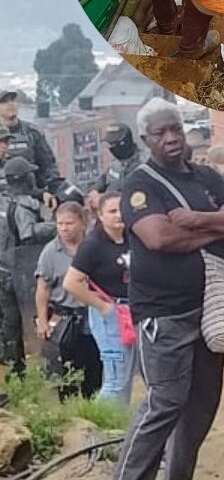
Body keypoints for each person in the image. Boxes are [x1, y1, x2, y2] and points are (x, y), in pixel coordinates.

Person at [113, 98, 224, 480]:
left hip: (208, 308)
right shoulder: (139, 184)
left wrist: (194, 219)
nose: (171, 138)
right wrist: (215, 228)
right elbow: (158, 238)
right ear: (146, 139)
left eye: (175, 128)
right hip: (163, 315)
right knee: (165, 402)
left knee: (202, 405)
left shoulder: (205, 175)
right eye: (160, 133)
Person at [63, 192, 136, 404]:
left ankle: (119, 422)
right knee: (116, 379)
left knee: (127, 377)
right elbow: (71, 282)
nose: (118, 215)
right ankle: (99, 422)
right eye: (112, 211)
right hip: (110, 316)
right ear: (100, 215)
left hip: (132, 312)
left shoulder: (132, 237)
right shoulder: (93, 245)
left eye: (122, 209)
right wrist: (103, 307)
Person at [35, 203, 102, 400]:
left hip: (93, 315)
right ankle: (69, 408)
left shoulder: (94, 246)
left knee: (94, 368)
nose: (64, 228)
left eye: (69, 223)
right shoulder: (50, 251)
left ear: (82, 223)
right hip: (64, 317)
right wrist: (42, 321)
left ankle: (92, 407)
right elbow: (42, 289)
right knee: (65, 371)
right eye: (60, 224)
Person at [3, 156, 56, 370]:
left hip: (7, 267)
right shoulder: (22, 205)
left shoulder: (6, 201)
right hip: (22, 269)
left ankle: (15, 365)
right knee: (29, 317)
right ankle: (39, 363)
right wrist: (55, 226)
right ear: (26, 179)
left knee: (11, 321)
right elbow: (27, 233)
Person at [0, 90, 63, 207]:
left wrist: (53, 189)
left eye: (12, 100)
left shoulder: (32, 132)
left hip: (34, 196)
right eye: (4, 102)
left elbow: (48, 164)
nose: (10, 104)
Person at [92, 123, 145, 200]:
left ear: (124, 143)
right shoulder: (115, 165)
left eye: (113, 144)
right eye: (109, 144)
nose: (111, 147)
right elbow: (103, 180)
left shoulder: (145, 162)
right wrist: (94, 190)